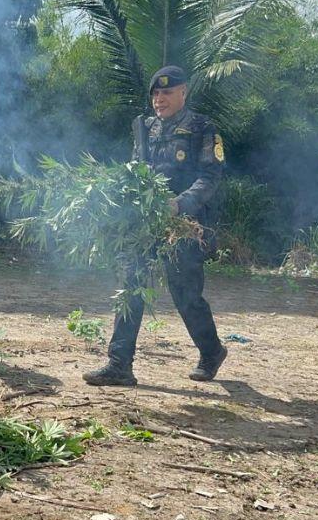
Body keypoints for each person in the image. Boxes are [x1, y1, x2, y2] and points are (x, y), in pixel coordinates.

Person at [83, 66, 228, 387]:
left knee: (185, 293)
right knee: (131, 283)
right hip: (147, 222)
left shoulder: (203, 128)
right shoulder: (144, 127)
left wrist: (179, 203)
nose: (159, 99)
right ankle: (119, 363)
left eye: (166, 92)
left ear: (183, 92)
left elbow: (210, 177)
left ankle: (211, 351)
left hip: (186, 224)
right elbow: (139, 173)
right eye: (155, 93)